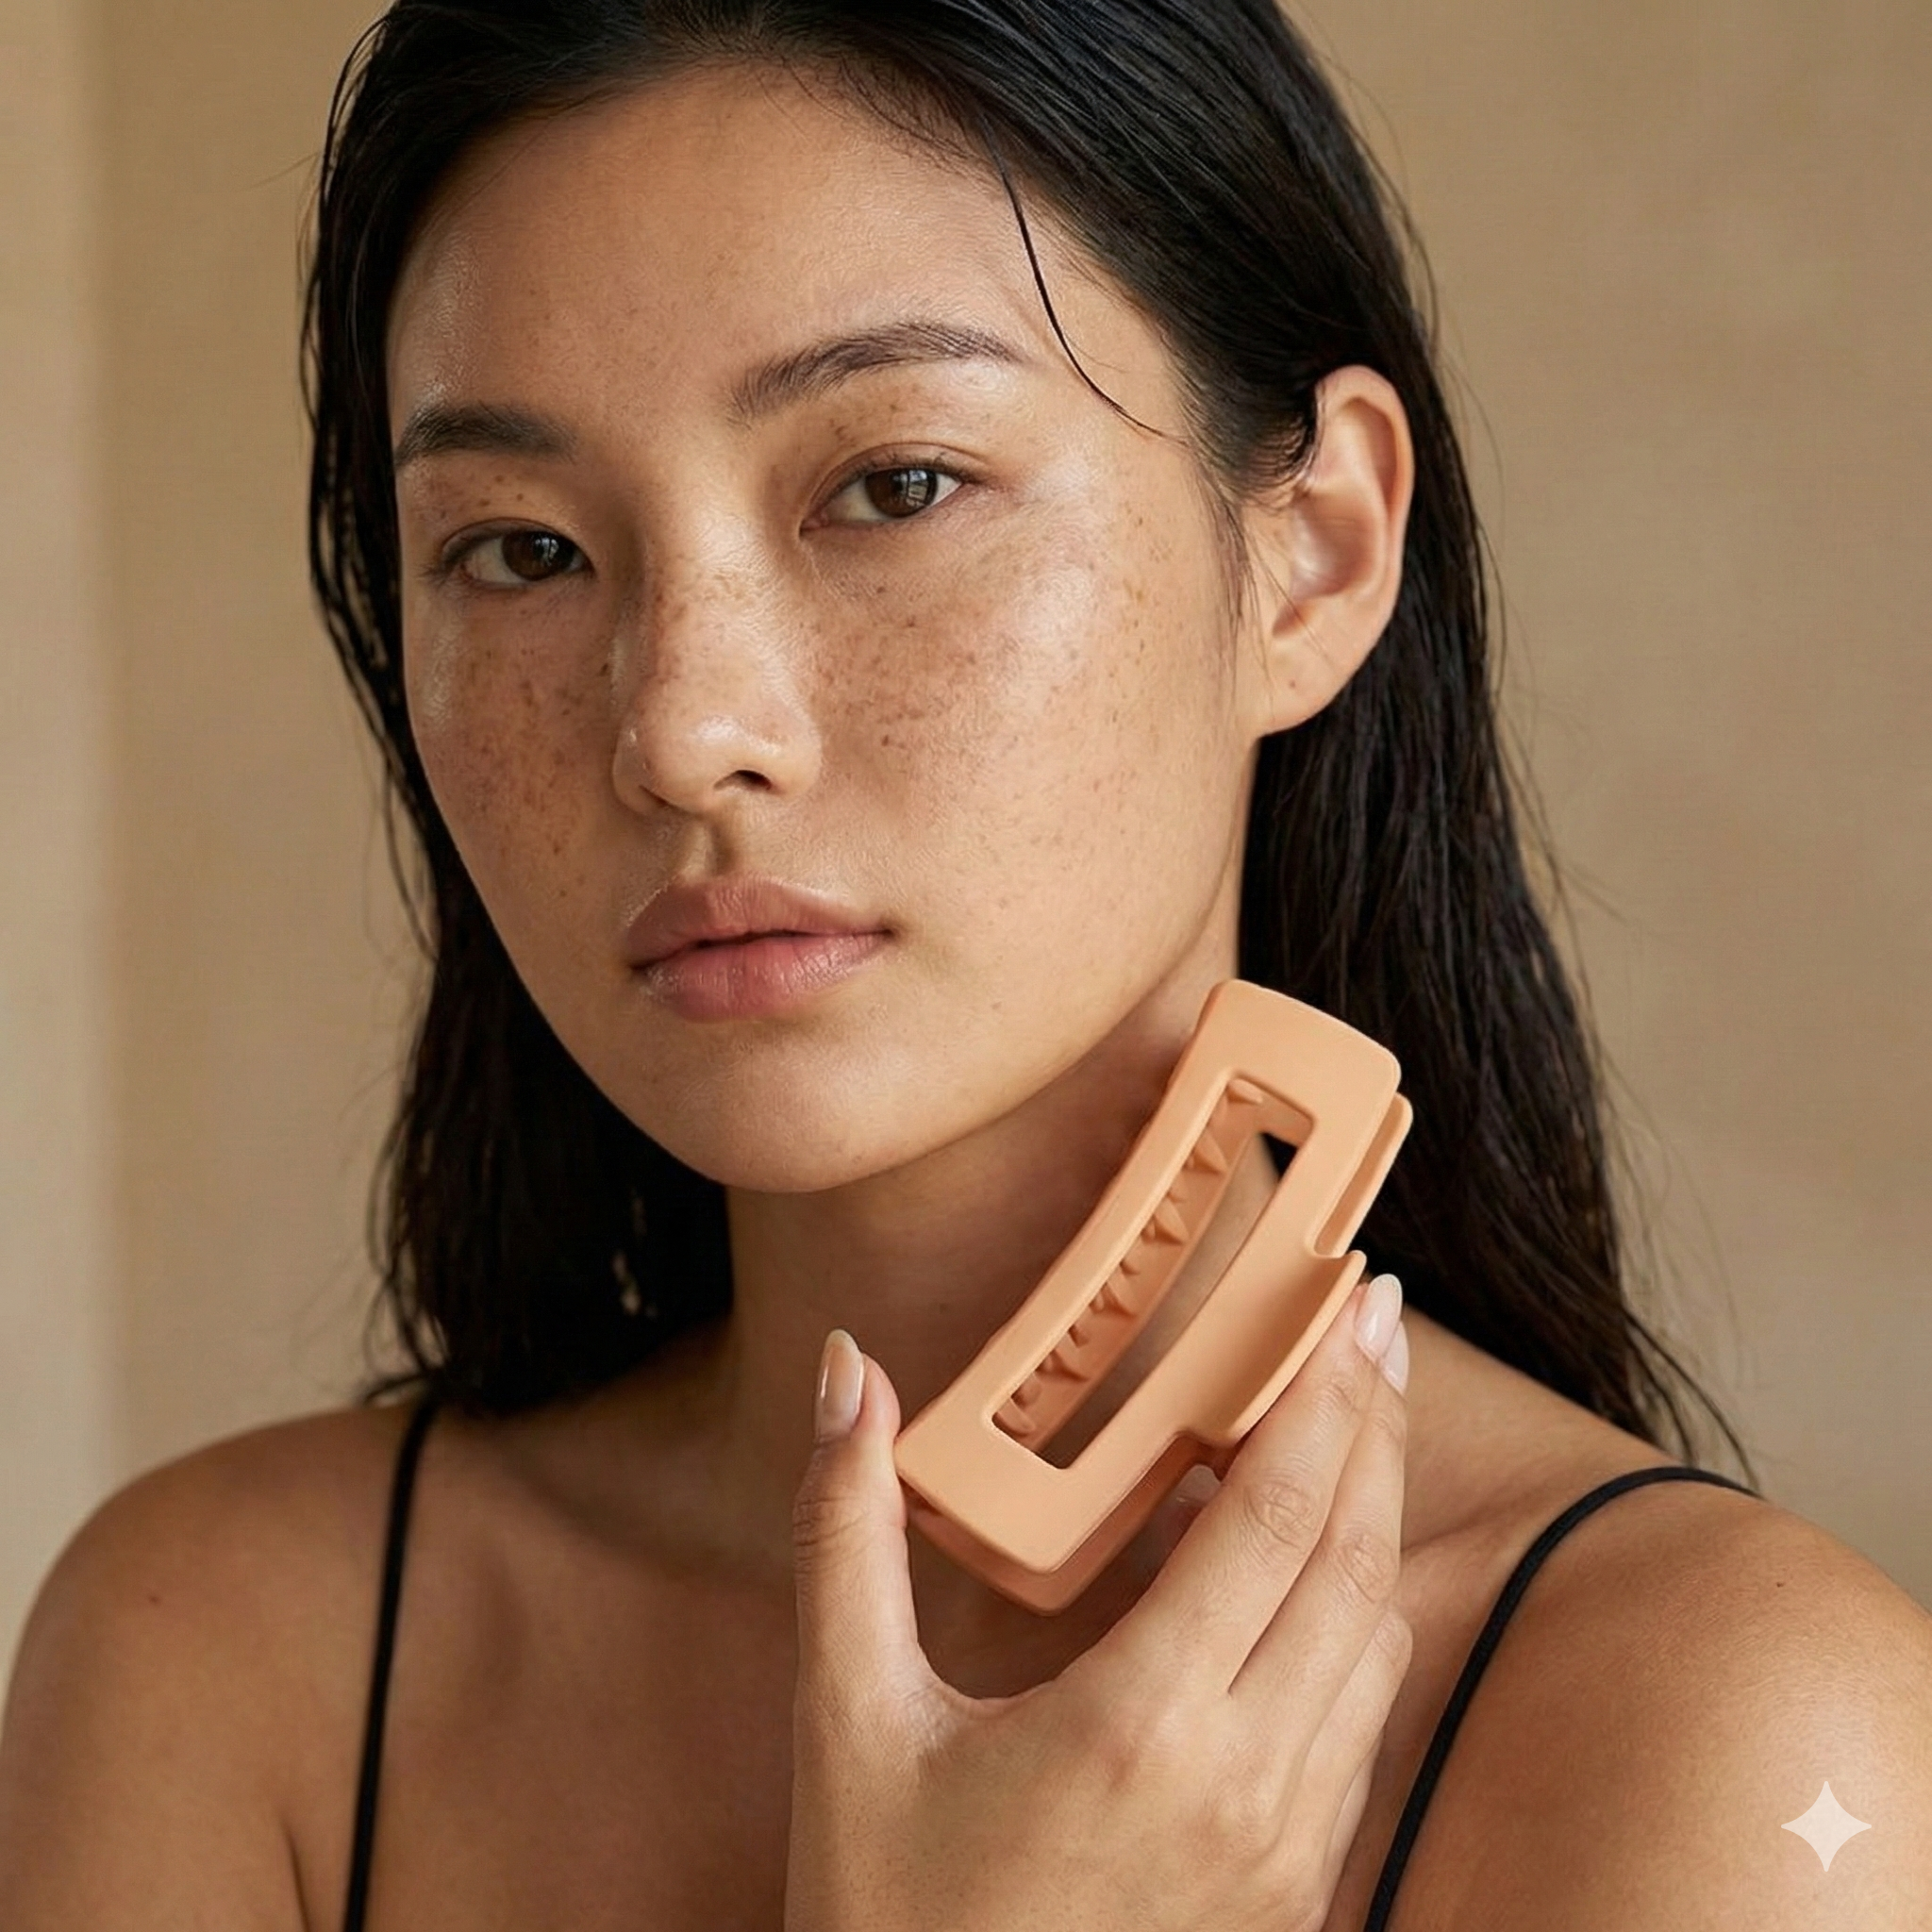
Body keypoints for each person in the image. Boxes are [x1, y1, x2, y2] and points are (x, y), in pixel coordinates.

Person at [2, 3, 1928, 1927]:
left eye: (897, 485)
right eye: (518, 550)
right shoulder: (223, 1663)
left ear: (1319, 551)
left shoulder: (1736, 1743)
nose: (681, 731)